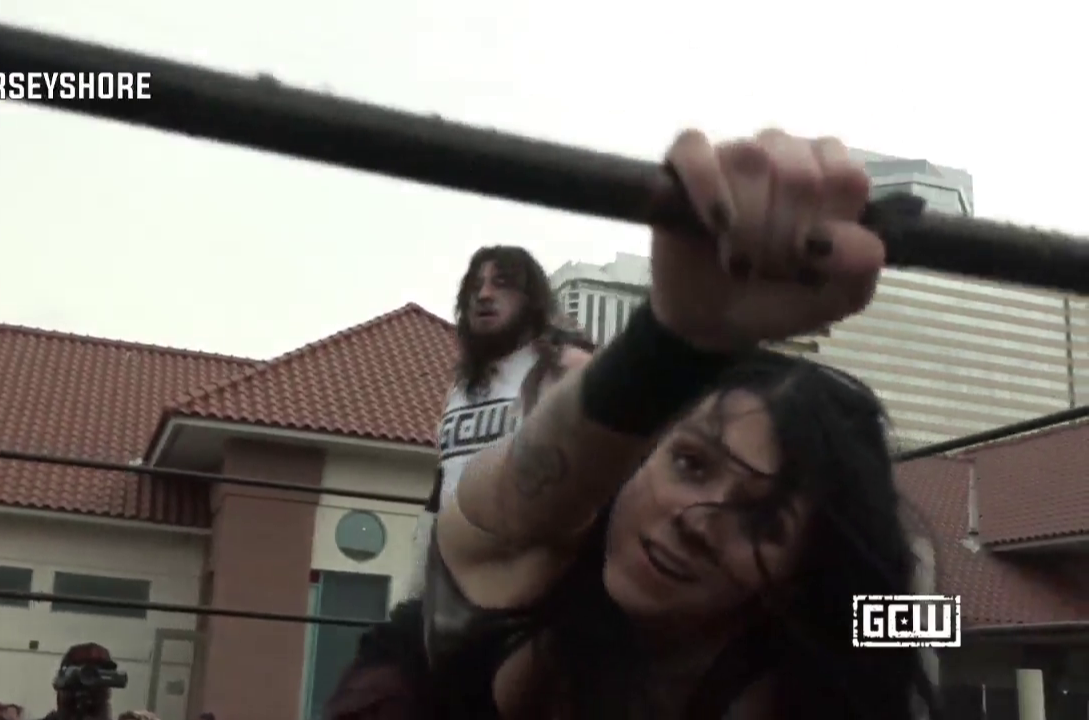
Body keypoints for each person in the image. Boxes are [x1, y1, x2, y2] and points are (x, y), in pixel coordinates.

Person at [327, 129, 942, 720]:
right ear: (640, 454)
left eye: (763, 520)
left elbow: (917, 629)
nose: (697, 521)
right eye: (691, 463)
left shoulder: (804, 674)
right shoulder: (528, 553)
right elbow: (516, 500)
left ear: (799, 574)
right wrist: (679, 334)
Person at [406, 244, 595, 599]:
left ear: (530, 299)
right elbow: (444, 478)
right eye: (475, 286)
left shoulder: (564, 366)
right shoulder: (461, 387)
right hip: (450, 568)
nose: (484, 295)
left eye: (501, 283)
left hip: (524, 572)